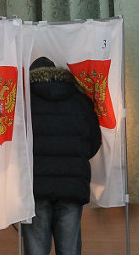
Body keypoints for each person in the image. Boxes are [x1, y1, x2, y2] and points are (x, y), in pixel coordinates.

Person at [23, 56, 102, 255]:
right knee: (69, 250)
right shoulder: (80, 100)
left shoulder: (24, 103)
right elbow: (94, 142)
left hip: (35, 188)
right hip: (71, 187)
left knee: (36, 250)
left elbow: (15, 147)